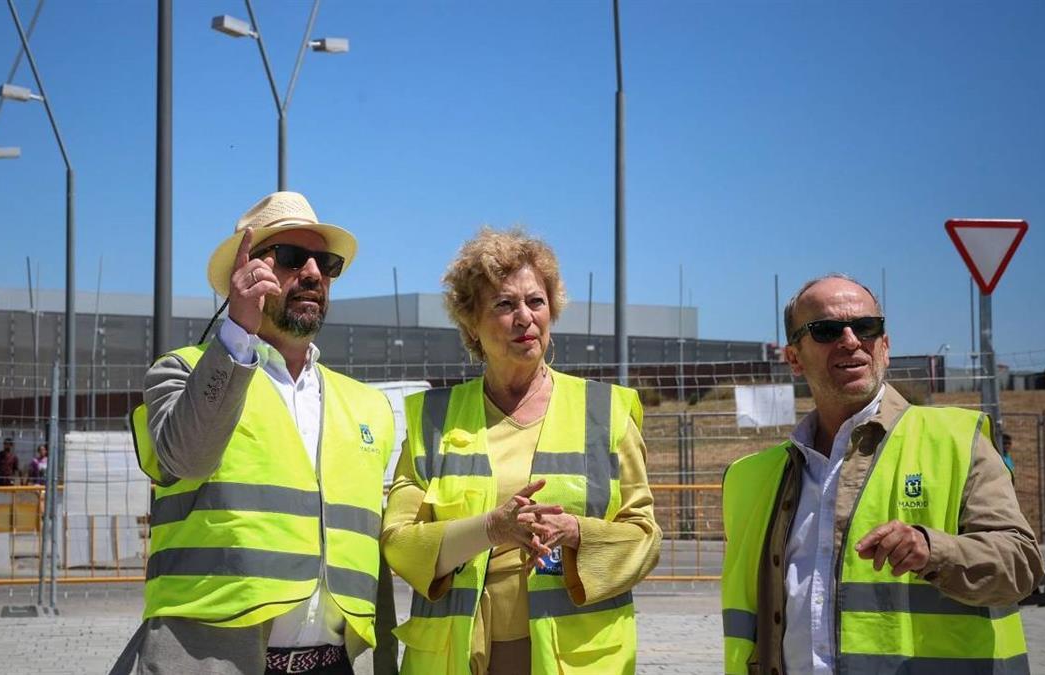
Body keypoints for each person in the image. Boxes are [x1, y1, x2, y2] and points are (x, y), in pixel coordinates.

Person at [115, 192, 397, 675]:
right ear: (246, 272)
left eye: (325, 263)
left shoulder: (368, 406)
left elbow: (372, 552)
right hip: (210, 662)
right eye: (291, 258)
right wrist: (237, 333)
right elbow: (186, 459)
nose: (312, 273)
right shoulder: (181, 373)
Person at [721, 273, 1044, 674]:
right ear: (794, 358)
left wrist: (933, 551)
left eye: (866, 327)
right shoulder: (750, 477)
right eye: (825, 330)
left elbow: (1021, 566)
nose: (851, 340)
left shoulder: (956, 441)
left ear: (885, 346)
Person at [381, 228, 660, 675]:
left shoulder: (605, 413)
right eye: (504, 305)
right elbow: (399, 544)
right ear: (471, 322)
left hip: (573, 659)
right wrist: (492, 528)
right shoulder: (433, 420)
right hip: (458, 657)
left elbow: (644, 538)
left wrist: (576, 532)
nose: (525, 318)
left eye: (536, 301)